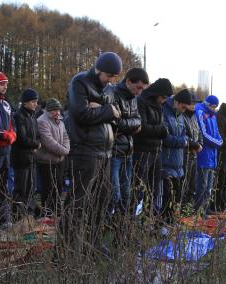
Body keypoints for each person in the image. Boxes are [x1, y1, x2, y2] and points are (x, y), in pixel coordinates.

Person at [62, 51, 122, 256]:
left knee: (102, 199)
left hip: (104, 152)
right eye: (109, 76)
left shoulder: (108, 90)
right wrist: (107, 111)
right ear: (99, 70)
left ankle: (92, 244)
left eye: (114, 78)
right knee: (79, 201)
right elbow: (81, 114)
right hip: (85, 150)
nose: (111, 81)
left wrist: (104, 110)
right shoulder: (80, 82)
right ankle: (65, 250)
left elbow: (116, 116)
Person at [105, 68, 147, 217]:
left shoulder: (134, 99)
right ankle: (104, 229)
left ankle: (120, 232)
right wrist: (131, 126)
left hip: (128, 152)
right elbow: (114, 123)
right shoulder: (112, 93)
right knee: (113, 195)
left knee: (126, 195)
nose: (140, 92)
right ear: (129, 81)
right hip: (114, 151)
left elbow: (138, 120)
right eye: (139, 87)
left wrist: (127, 125)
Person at [132, 78, 171, 221]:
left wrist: (161, 130)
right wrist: (161, 130)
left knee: (154, 191)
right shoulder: (141, 102)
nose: (164, 100)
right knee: (138, 190)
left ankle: (149, 222)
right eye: (163, 97)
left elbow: (158, 127)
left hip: (156, 151)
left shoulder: (159, 105)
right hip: (142, 152)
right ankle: (130, 222)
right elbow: (142, 128)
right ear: (157, 93)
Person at [160, 90, 191, 225]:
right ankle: (162, 224)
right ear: (176, 102)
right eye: (183, 107)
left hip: (178, 162)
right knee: (166, 196)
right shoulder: (164, 112)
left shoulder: (181, 116)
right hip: (165, 162)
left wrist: (183, 141)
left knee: (176, 196)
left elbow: (185, 134)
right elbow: (164, 137)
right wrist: (181, 142)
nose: (184, 110)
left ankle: (171, 220)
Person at [36, 98, 70, 216]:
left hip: (59, 160)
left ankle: (56, 209)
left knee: (59, 186)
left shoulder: (60, 121)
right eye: (55, 110)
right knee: (48, 188)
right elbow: (48, 142)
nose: (58, 112)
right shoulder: (42, 121)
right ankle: (48, 211)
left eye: (59, 110)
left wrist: (66, 149)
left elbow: (65, 136)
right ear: (49, 110)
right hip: (47, 162)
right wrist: (64, 151)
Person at [11, 89, 41, 219]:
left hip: (31, 158)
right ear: (25, 102)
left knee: (31, 188)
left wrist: (36, 144)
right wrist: (35, 144)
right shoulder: (19, 116)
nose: (35, 104)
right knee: (20, 189)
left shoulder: (33, 116)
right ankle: (17, 216)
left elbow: (37, 135)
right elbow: (21, 138)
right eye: (33, 101)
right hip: (21, 159)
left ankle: (29, 214)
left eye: (36, 101)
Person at [194, 95, 223, 213]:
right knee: (202, 185)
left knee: (209, 186)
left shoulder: (213, 116)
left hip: (212, 155)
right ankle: (198, 210)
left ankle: (205, 208)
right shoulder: (200, 112)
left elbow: (216, 131)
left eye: (216, 107)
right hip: (204, 155)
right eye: (213, 106)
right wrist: (217, 143)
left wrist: (220, 140)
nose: (214, 109)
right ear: (208, 104)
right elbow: (203, 134)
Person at [0, 72, 16, 228]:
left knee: (4, 187)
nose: (5, 86)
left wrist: (13, 134)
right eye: (2, 83)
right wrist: (4, 134)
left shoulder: (6, 104)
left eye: (6, 84)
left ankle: (4, 220)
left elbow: (12, 123)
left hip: (6, 153)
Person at [182, 92, 203, 207]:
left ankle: (188, 208)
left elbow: (199, 132)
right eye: (191, 103)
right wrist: (195, 145)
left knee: (192, 184)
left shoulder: (194, 116)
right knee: (184, 184)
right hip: (186, 154)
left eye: (195, 103)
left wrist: (200, 144)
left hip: (194, 155)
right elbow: (183, 134)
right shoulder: (182, 116)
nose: (193, 106)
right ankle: (182, 209)